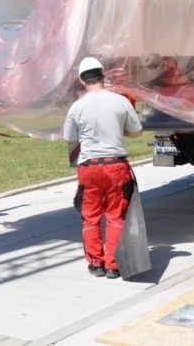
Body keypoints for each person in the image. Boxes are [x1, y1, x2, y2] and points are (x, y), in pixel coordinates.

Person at [63, 56, 143, 279]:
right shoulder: (120, 101)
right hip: (116, 166)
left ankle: (96, 264)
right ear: (103, 76)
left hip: (89, 168)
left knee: (91, 217)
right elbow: (136, 131)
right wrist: (118, 130)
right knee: (116, 217)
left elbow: (69, 137)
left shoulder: (77, 107)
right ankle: (113, 265)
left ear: (82, 80)